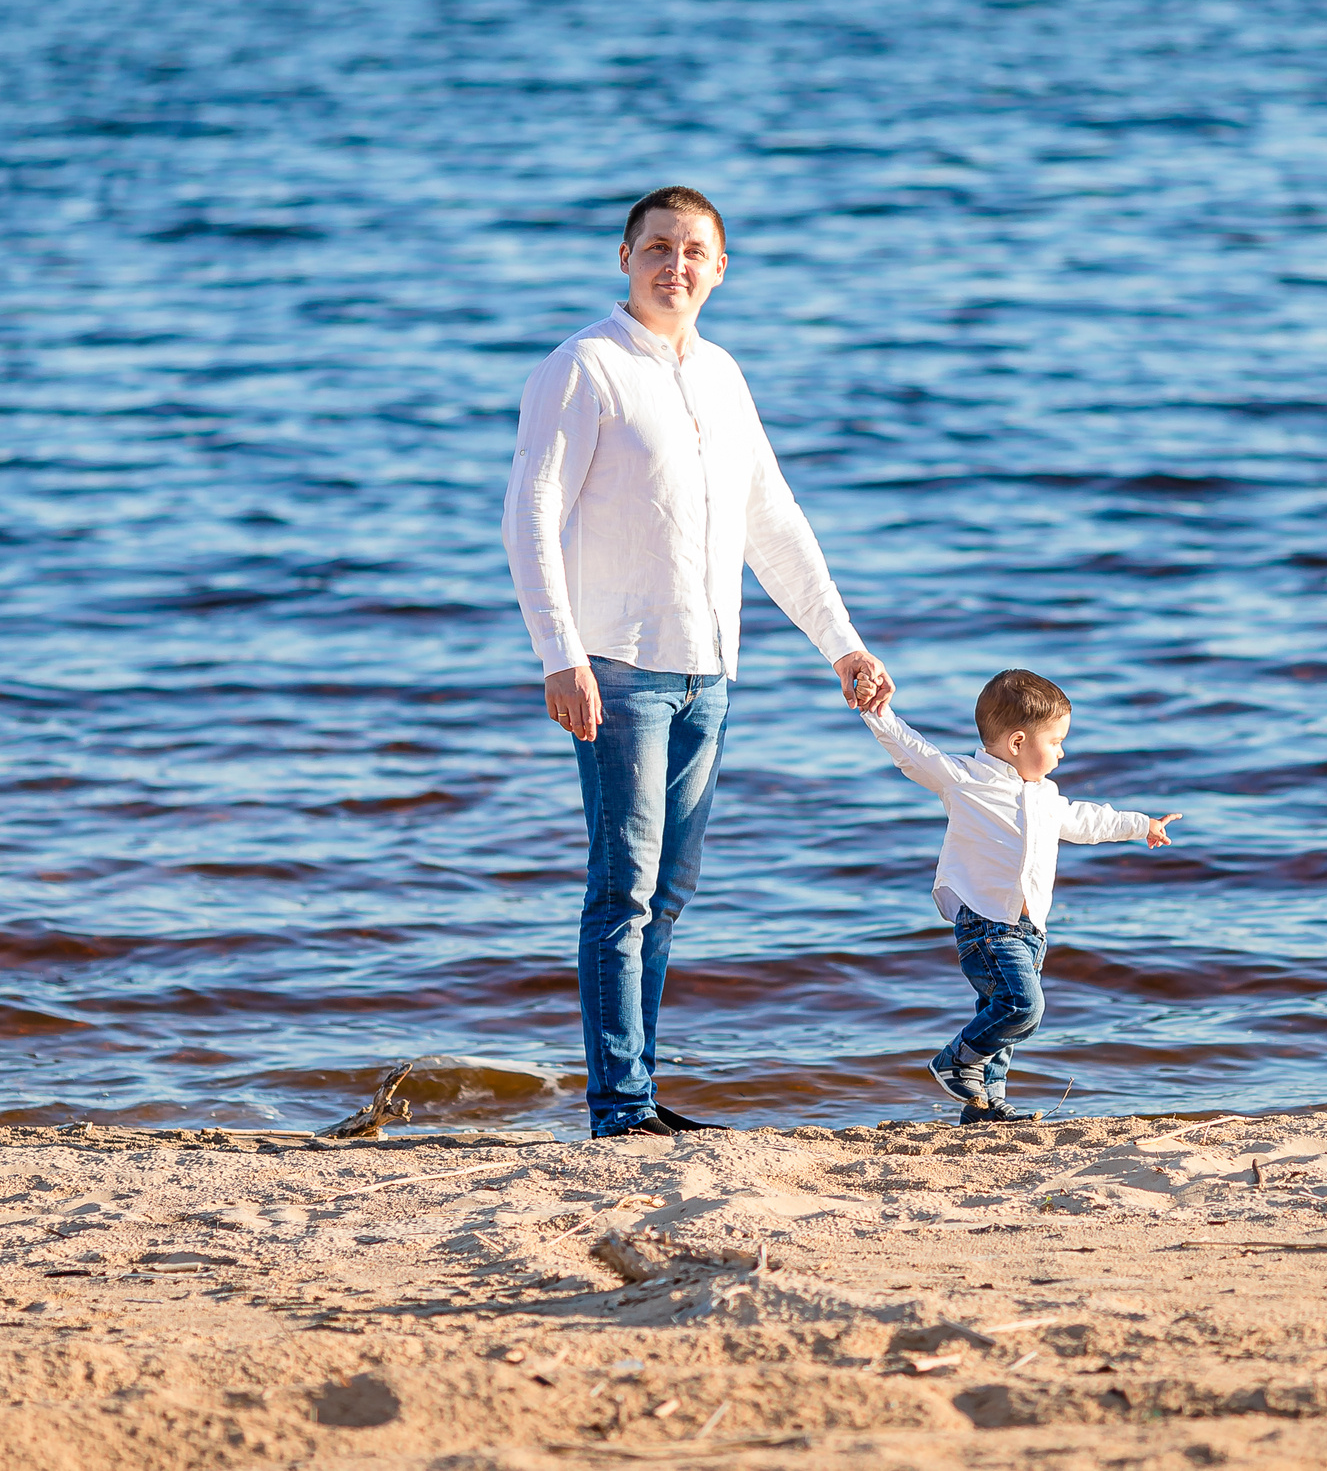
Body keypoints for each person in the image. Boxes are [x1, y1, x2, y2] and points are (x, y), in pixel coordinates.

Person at [503, 186, 893, 1140]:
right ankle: (619, 1107)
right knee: (621, 889)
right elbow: (530, 515)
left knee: (667, 893)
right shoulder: (583, 367)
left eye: (694, 250)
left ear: (721, 268)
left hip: (710, 671)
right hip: (619, 668)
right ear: (625, 257)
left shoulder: (722, 374)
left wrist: (840, 642)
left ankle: (635, 1088)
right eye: (658, 247)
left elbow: (775, 523)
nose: (675, 264)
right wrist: (559, 654)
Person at [859, 668, 1181, 1124]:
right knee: (1023, 1008)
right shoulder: (967, 780)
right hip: (986, 925)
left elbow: (1087, 821)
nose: (1062, 753)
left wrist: (1140, 825)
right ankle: (954, 1059)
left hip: (1031, 931)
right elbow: (913, 752)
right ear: (1016, 743)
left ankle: (984, 1107)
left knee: (1001, 1024)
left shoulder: (1046, 797)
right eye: (1055, 742)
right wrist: (878, 711)